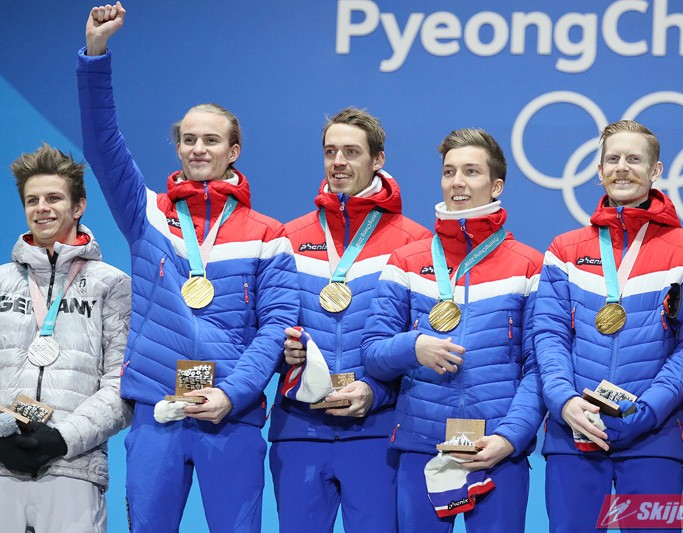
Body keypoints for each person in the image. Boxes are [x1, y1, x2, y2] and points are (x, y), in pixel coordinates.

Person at [78, 4, 299, 532]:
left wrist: (232, 394)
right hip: (158, 413)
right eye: (189, 139)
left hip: (232, 416)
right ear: (177, 147)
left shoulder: (268, 235)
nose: (199, 149)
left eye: (211, 140)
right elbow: (102, 145)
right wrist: (95, 55)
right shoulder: (147, 214)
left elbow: (276, 327)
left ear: (233, 151)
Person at [533, 120, 683, 531]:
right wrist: (565, 401)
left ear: (656, 170)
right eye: (613, 159)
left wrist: (646, 410)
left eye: (634, 159)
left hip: (654, 435)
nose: (622, 167)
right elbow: (548, 335)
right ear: (599, 170)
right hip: (574, 431)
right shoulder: (565, 249)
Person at [362, 128, 545, 532]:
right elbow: (372, 351)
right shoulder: (406, 261)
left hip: (496, 450)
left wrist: (510, 437)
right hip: (421, 445)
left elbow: (539, 367)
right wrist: (413, 347)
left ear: (496, 186)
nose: (457, 182)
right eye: (449, 172)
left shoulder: (529, 266)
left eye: (471, 171)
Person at [268, 107, 430, 533]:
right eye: (330, 151)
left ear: (378, 159)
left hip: (377, 429)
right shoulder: (287, 238)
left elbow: (419, 344)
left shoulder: (415, 243)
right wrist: (284, 352)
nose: (338, 161)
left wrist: (374, 390)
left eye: (351, 152)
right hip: (300, 429)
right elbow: (265, 326)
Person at [0, 143, 132, 532]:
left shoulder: (112, 284)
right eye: (32, 200)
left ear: (78, 207)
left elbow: (122, 384)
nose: (42, 208)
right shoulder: (1, 281)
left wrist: (61, 439)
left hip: (73, 467)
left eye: (54, 198)